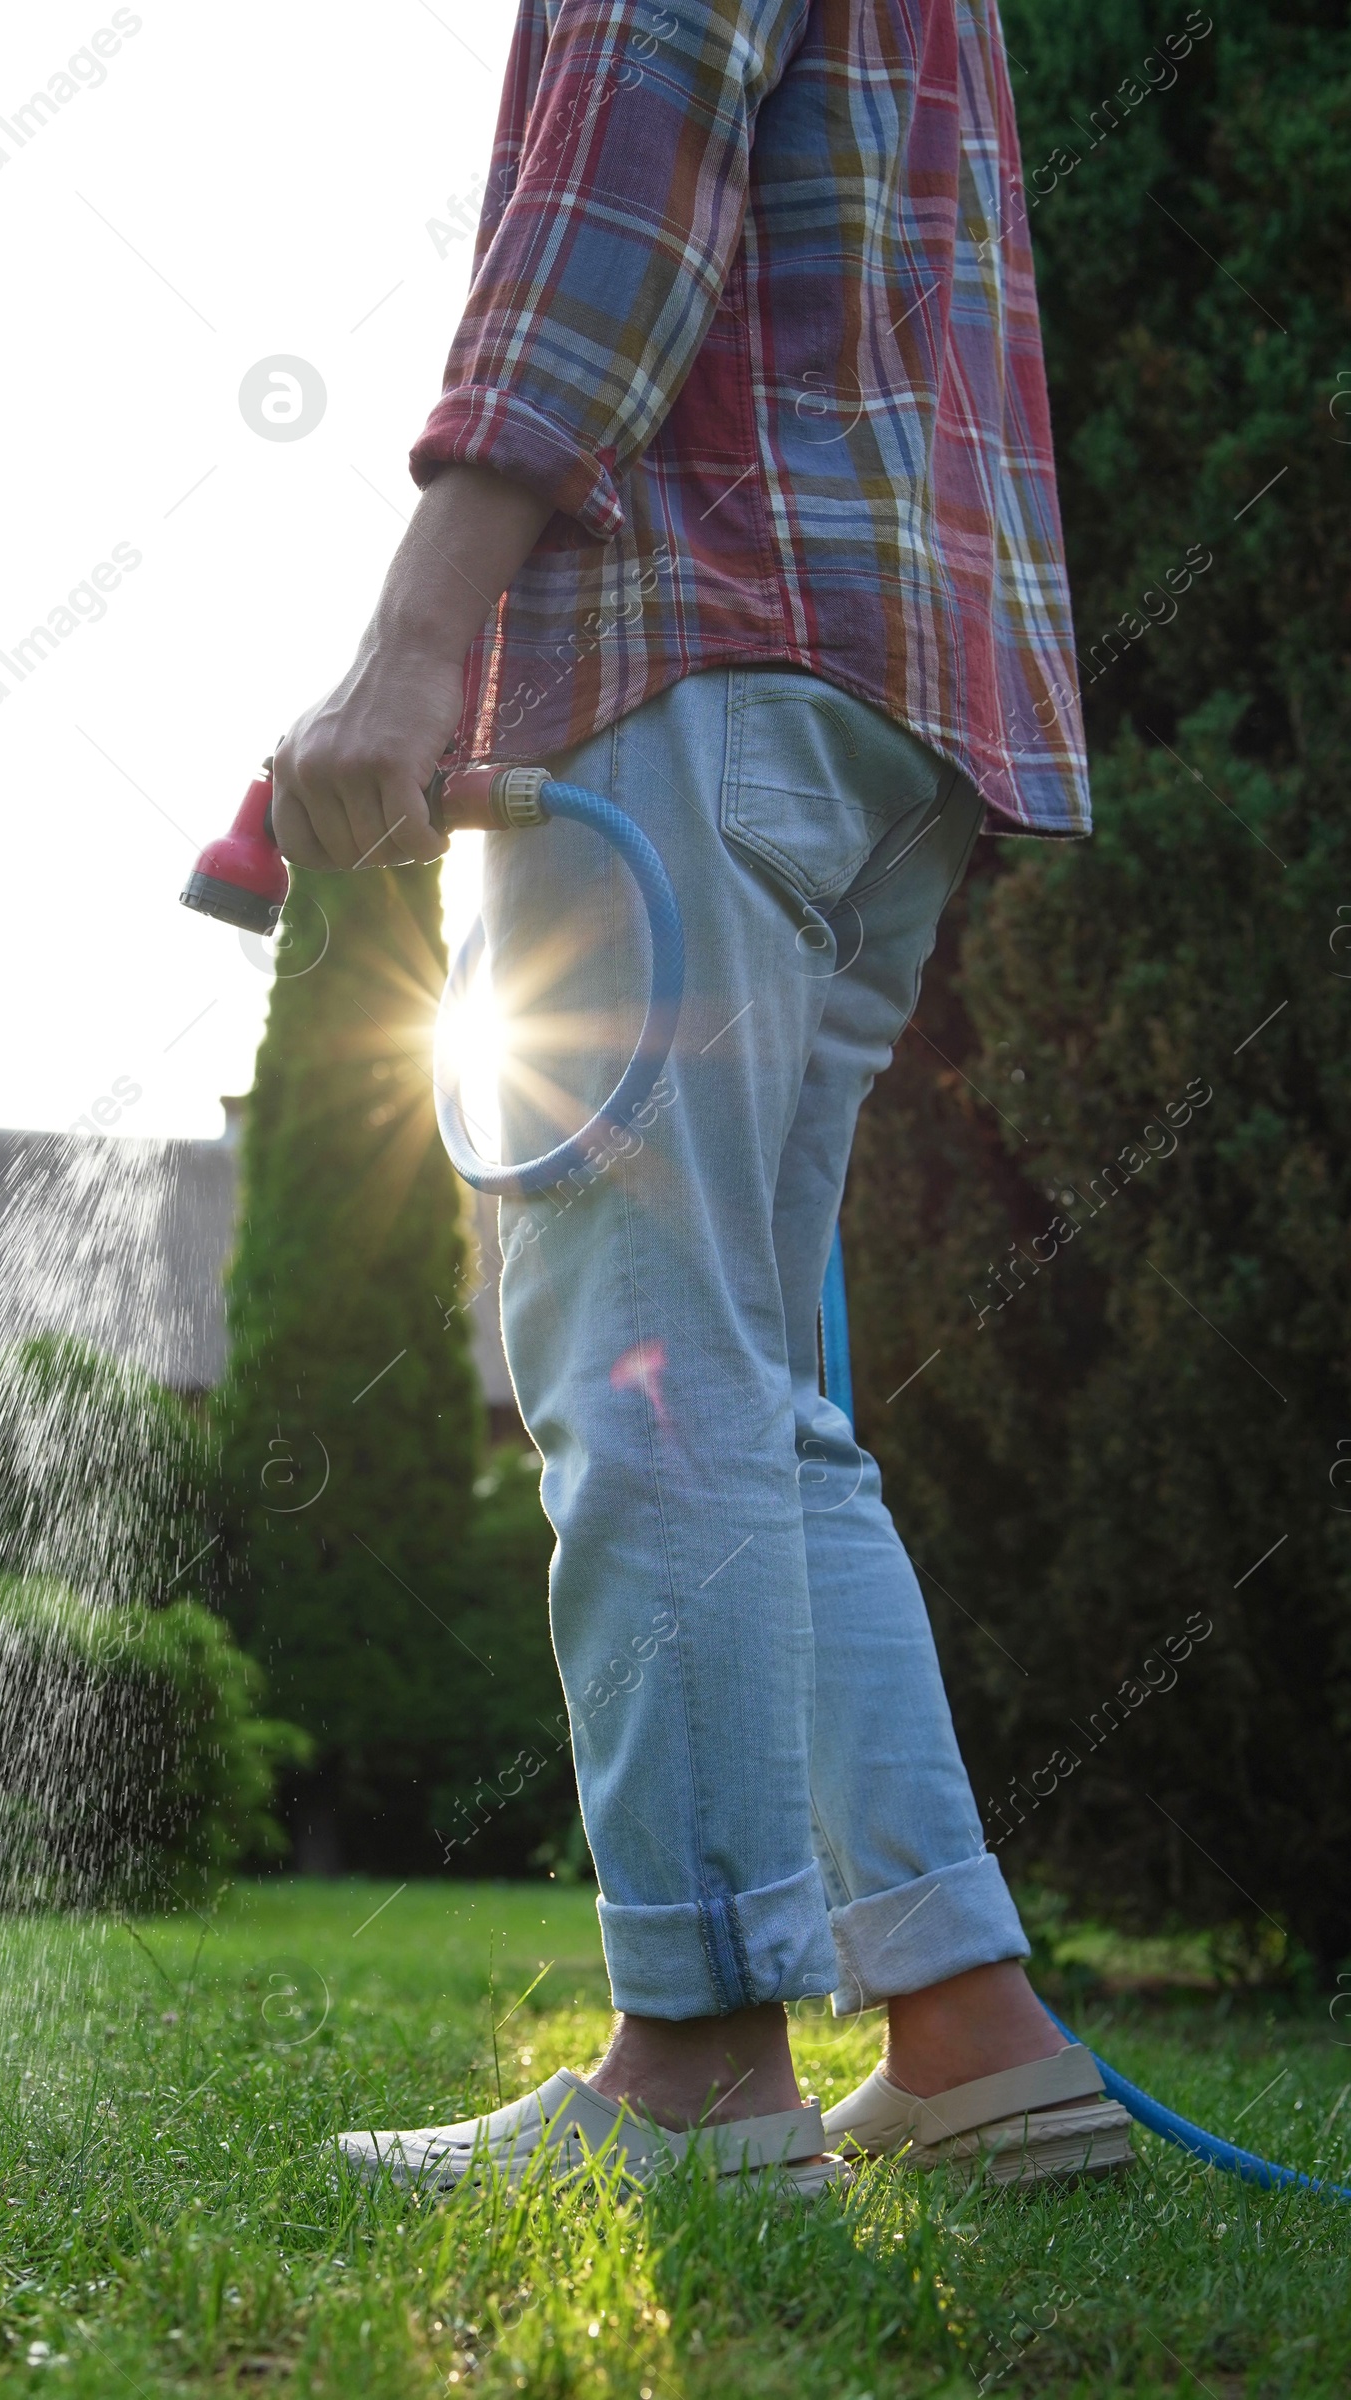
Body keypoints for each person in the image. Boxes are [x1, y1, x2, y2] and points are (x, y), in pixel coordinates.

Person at [272, 0, 1132, 2192]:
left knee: (638, 1377)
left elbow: (611, 198)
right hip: (896, 690)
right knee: (753, 1397)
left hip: (680, 648)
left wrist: (408, 637)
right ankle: (963, 2033)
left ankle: (695, 2079)